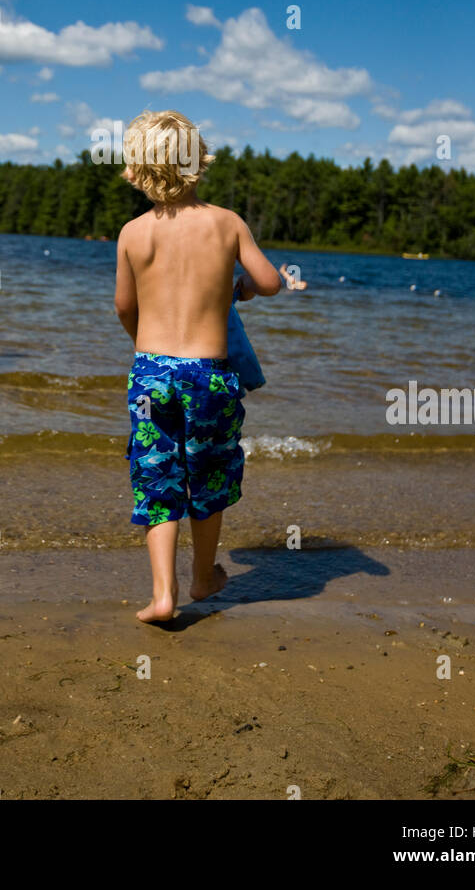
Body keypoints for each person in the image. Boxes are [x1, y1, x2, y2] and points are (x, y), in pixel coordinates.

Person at [114, 109, 281, 624]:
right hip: (209, 376)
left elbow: (125, 307)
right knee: (208, 478)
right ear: (198, 164)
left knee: (157, 479)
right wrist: (246, 288)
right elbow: (271, 281)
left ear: (138, 171)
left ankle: (163, 595)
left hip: (150, 375)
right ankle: (204, 576)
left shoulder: (133, 234)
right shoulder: (226, 223)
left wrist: (146, 350)